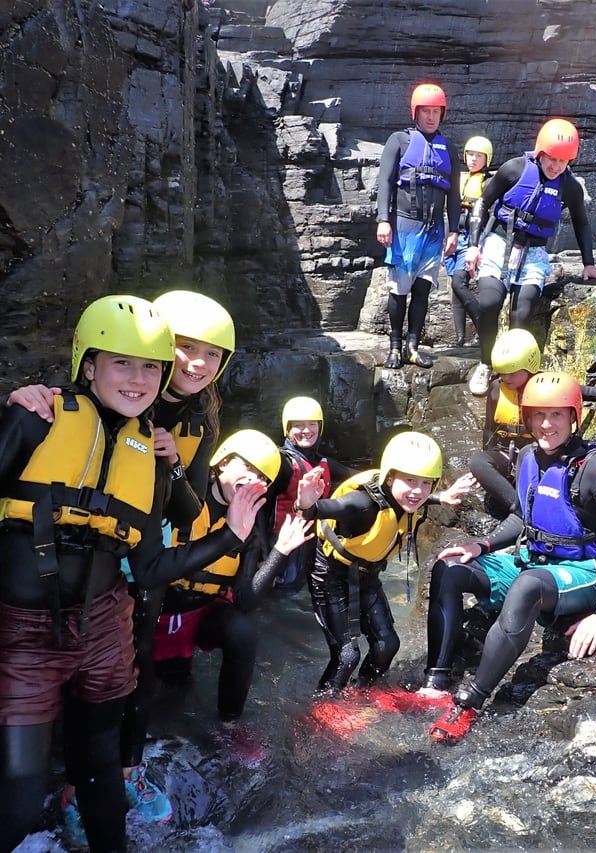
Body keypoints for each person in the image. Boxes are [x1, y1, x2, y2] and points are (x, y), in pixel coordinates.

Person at [0, 295, 268, 853]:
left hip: (104, 618)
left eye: (150, 366)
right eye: (123, 362)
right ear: (88, 364)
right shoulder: (37, 416)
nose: (139, 377)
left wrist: (233, 533)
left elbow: (152, 558)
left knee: (102, 774)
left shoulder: (154, 446)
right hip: (27, 626)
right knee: (22, 792)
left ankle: (113, 794)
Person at [423, 372, 596, 744]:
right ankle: (436, 681)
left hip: (587, 571)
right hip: (536, 562)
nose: (546, 424)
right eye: (538, 415)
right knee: (450, 567)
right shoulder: (527, 458)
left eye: (557, 415)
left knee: (526, 586)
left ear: (573, 416)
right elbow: (523, 518)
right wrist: (482, 546)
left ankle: (469, 704)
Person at [293, 431, 475, 695]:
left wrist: (441, 496)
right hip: (330, 576)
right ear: (390, 476)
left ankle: (364, 691)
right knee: (347, 656)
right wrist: (305, 502)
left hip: (366, 575)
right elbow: (323, 509)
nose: (418, 491)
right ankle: (325, 705)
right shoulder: (362, 503)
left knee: (387, 644)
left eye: (427, 483)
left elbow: (412, 499)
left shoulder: (411, 497)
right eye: (410, 480)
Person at [153, 429, 313, 729]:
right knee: (167, 698)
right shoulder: (179, 500)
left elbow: (245, 600)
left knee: (242, 629)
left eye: (263, 478)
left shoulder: (250, 529)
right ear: (222, 463)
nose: (255, 481)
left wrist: (280, 552)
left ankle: (230, 724)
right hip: (151, 615)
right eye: (248, 468)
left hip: (198, 617)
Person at [466, 118, 596, 397]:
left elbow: (582, 223)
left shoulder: (569, 186)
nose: (556, 165)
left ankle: (511, 370)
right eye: (552, 158)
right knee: (489, 302)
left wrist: (589, 263)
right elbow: (483, 202)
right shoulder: (515, 169)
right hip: (499, 242)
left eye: (563, 160)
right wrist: (473, 246)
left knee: (521, 313)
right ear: (540, 152)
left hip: (534, 252)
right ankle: (486, 363)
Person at [470, 328, 596, 520]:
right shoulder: (496, 389)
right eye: (502, 372)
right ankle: (521, 511)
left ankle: (532, 508)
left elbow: (583, 391)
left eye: (511, 372)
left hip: (539, 452)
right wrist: (489, 461)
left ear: (529, 364)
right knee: (478, 462)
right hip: (507, 453)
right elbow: (489, 430)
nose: (506, 377)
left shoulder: (547, 383)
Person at [376, 82, 461, 369]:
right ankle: (395, 346)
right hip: (404, 227)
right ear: (416, 112)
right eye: (426, 111)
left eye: (436, 111)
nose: (431, 117)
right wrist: (383, 221)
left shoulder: (448, 147)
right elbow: (385, 182)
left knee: (423, 290)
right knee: (399, 290)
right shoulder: (399, 140)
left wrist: (454, 231)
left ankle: (413, 346)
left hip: (434, 232)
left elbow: (454, 194)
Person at [268, 396, 353, 591]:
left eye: (312, 424)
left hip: (311, 545)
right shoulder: (282, 464)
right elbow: (260, 513)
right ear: (287, 429)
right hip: (283, 546)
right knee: (283, 595)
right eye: (298, 425)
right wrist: (264, 558)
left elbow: (363, 478)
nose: (306, 430)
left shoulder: (324, 462)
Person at [444, 136, 493, 347]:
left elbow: (491, 215)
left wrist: (481, 242)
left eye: (479, 156)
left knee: (459, 282)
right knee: (456, 289)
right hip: (454, 235)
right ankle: (460, 338)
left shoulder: (489, 182)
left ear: (487, 159)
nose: (473, 159)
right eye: (470, 155)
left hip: (473, 238)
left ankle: (484, 327)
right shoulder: (459, 178)